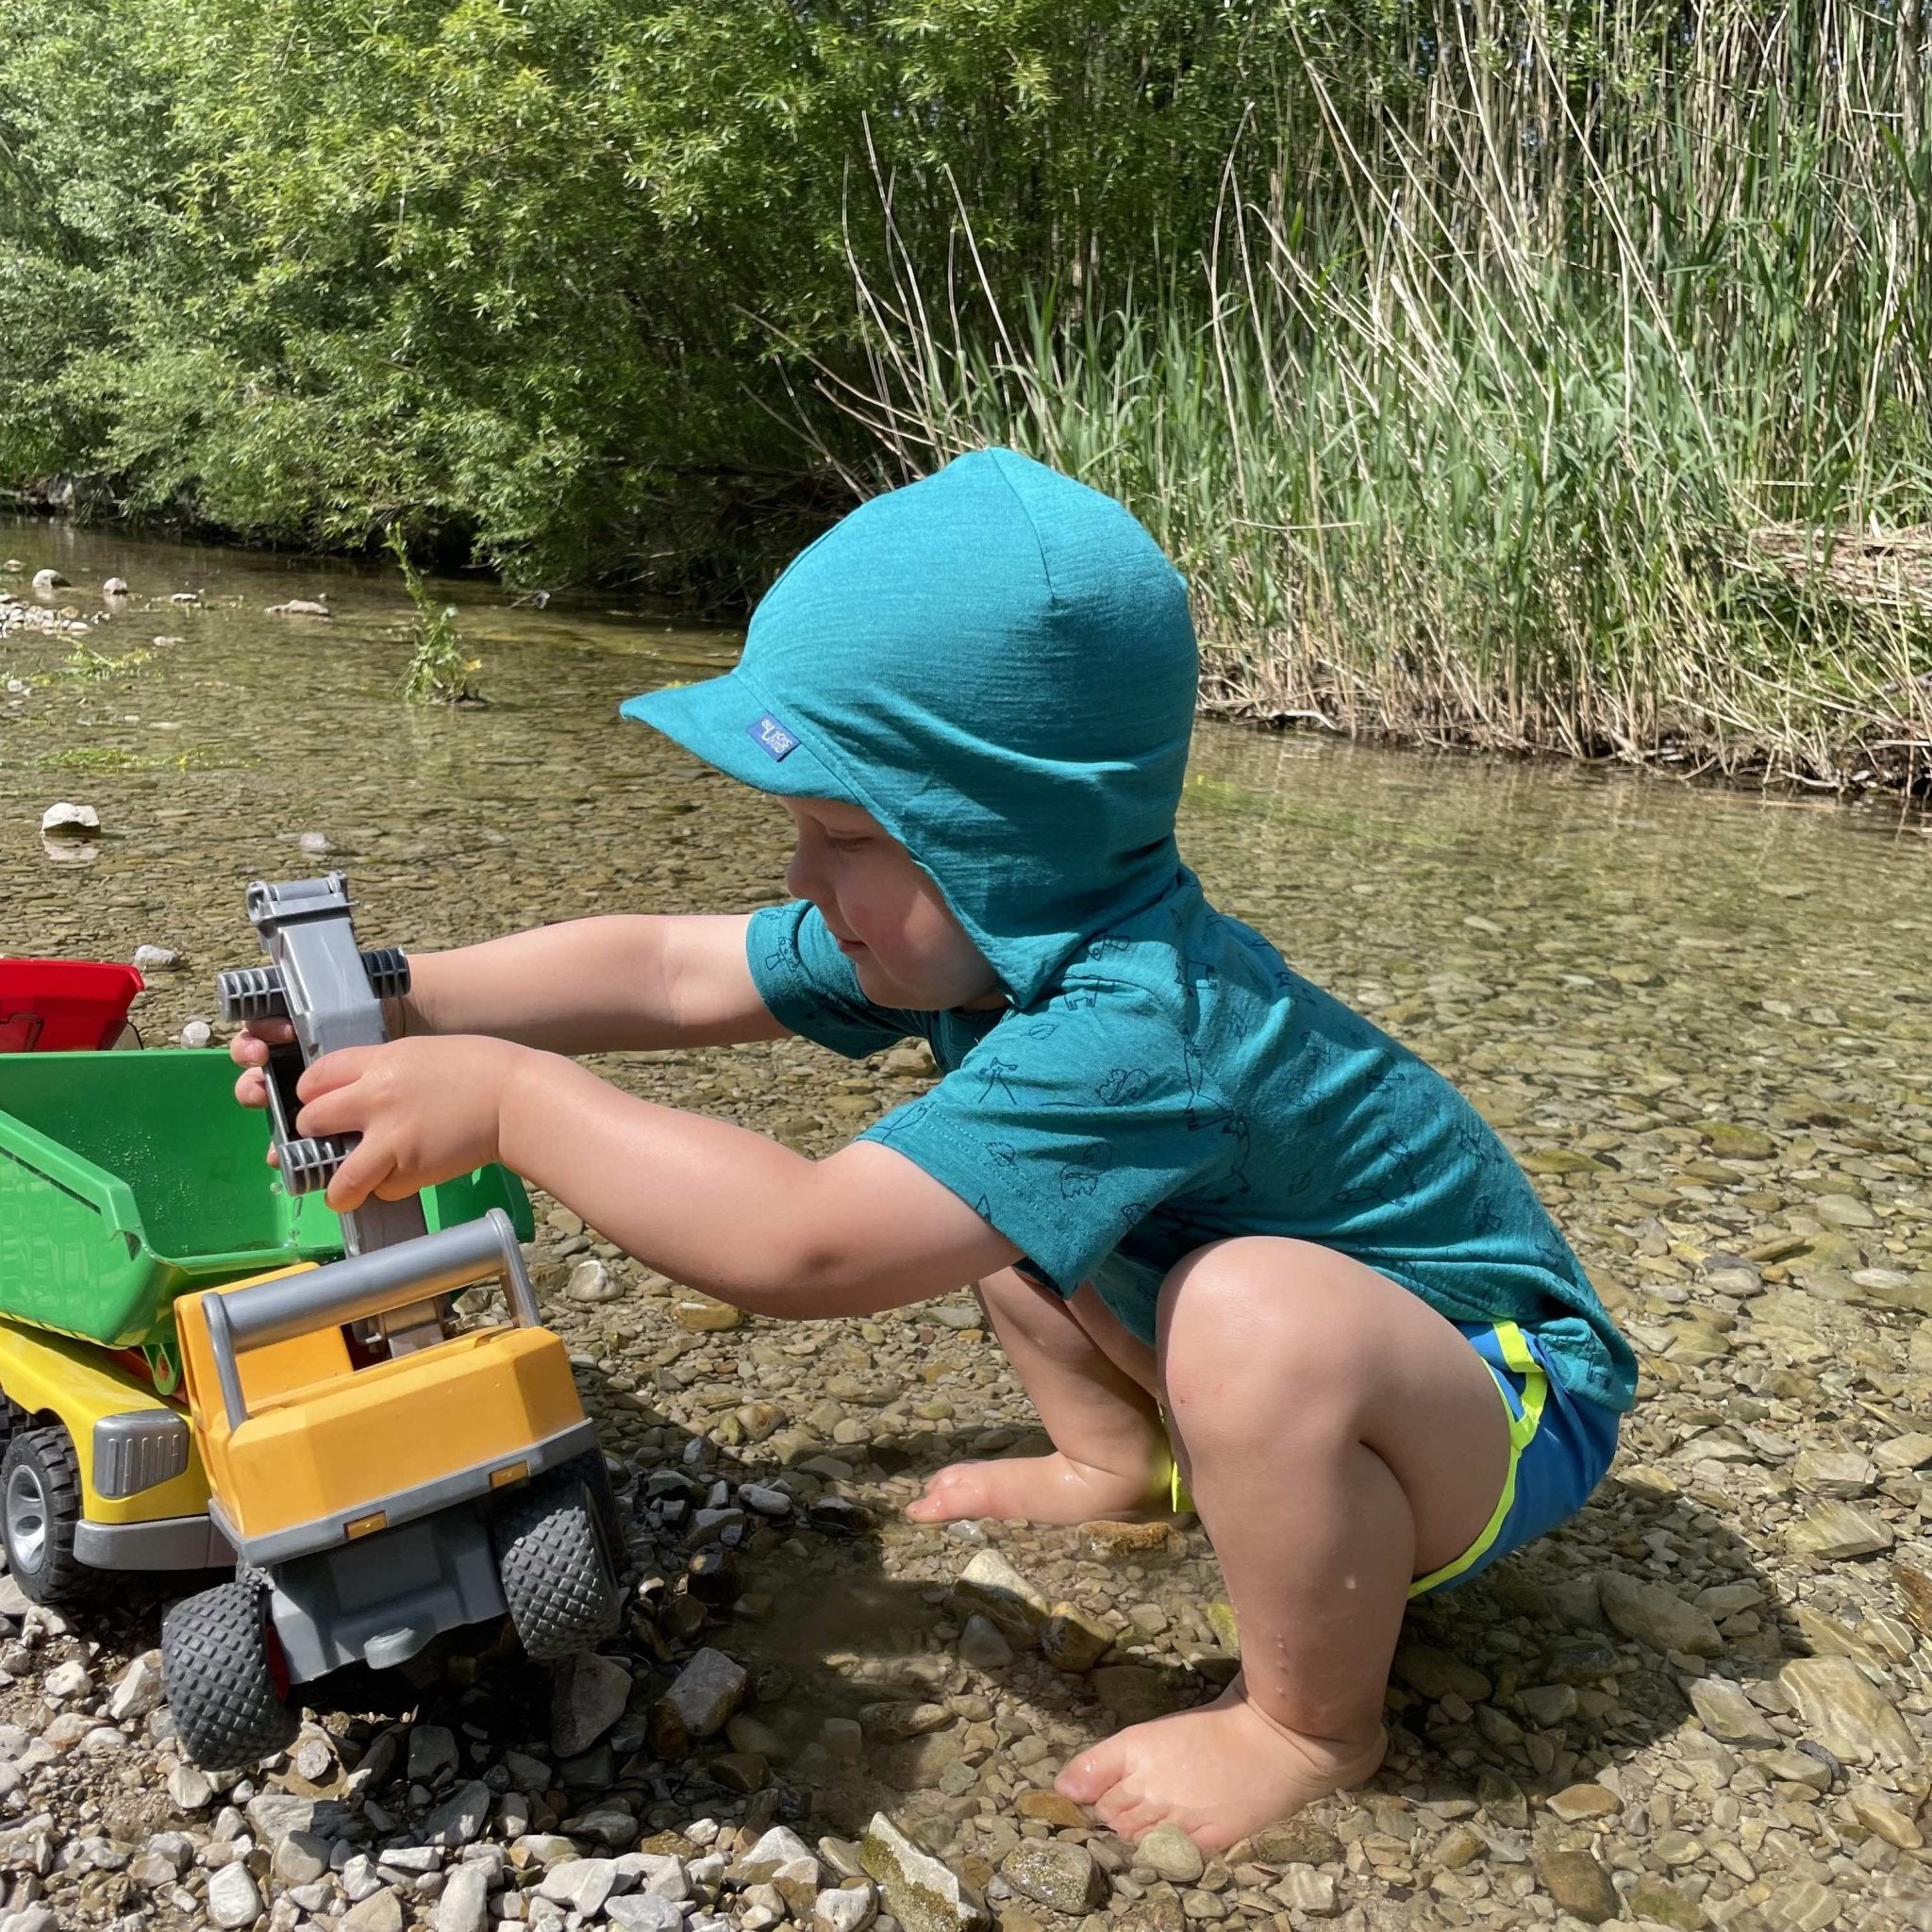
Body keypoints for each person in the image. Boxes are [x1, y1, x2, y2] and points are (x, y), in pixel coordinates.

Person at [231, 449, 1635, 1850]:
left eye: (842, 837)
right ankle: (1119, 1466)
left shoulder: (1141, 1023)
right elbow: (666, 968)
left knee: (1227, 1303)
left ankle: (1310, 1724)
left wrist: (516, 1106)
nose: (798, 880)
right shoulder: (973, 939)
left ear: (1004, 839)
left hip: (1492, 1401)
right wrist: (402, 999)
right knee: (996, 1194)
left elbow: (807, 1242)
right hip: (1315, 1360)